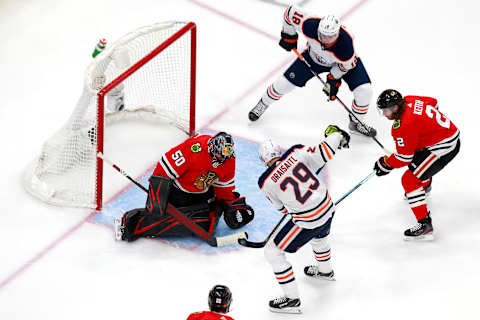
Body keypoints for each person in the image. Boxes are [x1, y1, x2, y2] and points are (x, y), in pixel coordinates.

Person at [257, 125, 350, 313]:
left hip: (309, 219)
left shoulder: (265, 181)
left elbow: (282, 209)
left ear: (262, 159)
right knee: (319, 237)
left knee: (273, 252)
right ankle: (325, 271)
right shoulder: (296, 151)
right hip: (328, 207)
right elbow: (325, 151)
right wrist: (338, 135)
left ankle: (292, 300)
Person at [248, 5, 376, 137]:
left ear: (337, 34)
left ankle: (356, 123)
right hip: (313, 58)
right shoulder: (310, 24)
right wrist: (289, 35)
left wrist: (333, 78)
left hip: (341, 64)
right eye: (323, 35)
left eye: (330, 37)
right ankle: (263, 104)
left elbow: (346, 66)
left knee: (365, 91)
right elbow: (289, 12)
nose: (325, 40)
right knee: (282, 84)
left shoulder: (346, 47)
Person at [114, 132, 254, 242]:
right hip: (179, 192)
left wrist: (229, 203)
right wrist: (157, 195)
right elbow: (164, 166)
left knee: (208, 225)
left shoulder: (229, 159)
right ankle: (132, 222)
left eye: (225, 157)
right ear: (212, 147)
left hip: (204, 191)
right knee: (175, 220)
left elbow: (223, 186)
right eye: (219, 155)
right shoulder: (195, 149)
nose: (222, 159)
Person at [374, 89, 460, 240]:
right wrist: (427, 130)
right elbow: (434, 103)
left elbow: (403, 158)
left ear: (395, 107)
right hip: (448, 135)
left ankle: (425, 225)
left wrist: (385, 164)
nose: (385, 115)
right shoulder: (409, 99)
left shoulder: (403, 126)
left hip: (445, 147)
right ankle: (424, 187)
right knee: (418, 163)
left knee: (409, 180)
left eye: (385, 111)